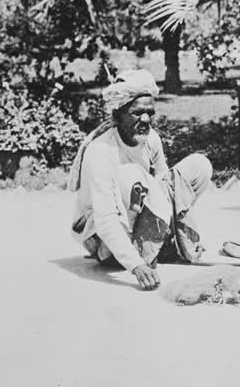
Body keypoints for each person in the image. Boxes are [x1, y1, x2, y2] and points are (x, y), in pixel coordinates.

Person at [67, 69, 213, 290]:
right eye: (137, 113)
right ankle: (140, 251)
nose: (145, 119)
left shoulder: (151, 139)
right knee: (131, 175)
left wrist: (179, 227)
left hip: (138, 218)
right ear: (117, 116)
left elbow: (165, 186)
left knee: (199, 165)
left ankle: (159, 243)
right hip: (103, 239)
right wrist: (136, 266)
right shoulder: (101, 151)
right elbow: (105, 219)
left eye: (149, 113)